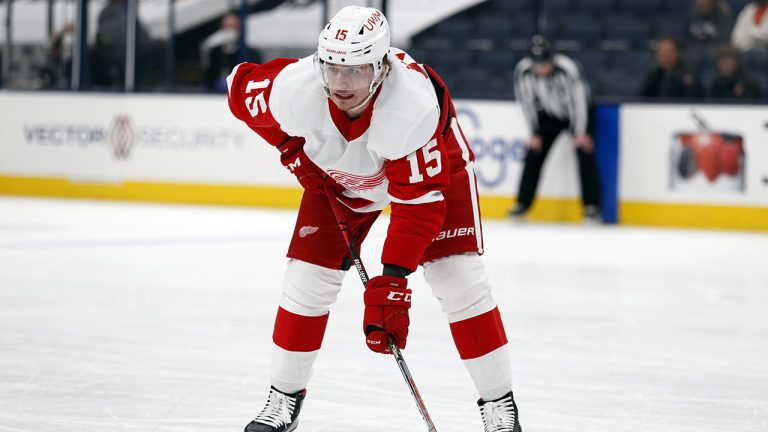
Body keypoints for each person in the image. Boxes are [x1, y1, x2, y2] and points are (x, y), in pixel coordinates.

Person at [227, 6, 522, 432]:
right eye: (331, 69)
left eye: (355, 71)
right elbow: (239, 88)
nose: (340, 84)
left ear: (382, 68)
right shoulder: (294, 89)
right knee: (306, 280)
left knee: (460, 280)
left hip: (435, 175)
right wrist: (291, 147)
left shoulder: (413, 109)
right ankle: (281, 400)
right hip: (340, 177)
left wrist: (392, 280)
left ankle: (498, 406)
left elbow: (417, 207)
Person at [510, 35, 601, 223]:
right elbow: (526, 102)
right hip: (549, 115)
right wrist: (534, 132)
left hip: (576, 114)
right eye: (537, 64)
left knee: (584, 151)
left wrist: (580, 131)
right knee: (533, 153)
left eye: (544, 63)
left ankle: (591, 207)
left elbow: (580, 100)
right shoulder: (523, 71)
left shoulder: (567, 68)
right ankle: (522, 205)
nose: (541, 69)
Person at [92, 0, 151, 89]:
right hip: (117, 63)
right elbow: (106, 36)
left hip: (127, 61)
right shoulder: (112, 13)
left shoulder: (126, 13)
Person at [201, 12, 261, 93]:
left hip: (240, 92)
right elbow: (208, 77)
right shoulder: (215, 52)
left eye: (232, 27)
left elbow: (256, 76)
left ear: (238, 29)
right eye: (226, 27)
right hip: (216, 91)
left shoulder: (249, 53)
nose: (229, 31)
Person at [639, 37, 705, 98]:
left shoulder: (688, 73)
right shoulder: (654, 74)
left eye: (668, 52)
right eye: (661, 53)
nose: (665, 56)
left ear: (676, 53)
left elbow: (692, 98)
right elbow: (642, 96)